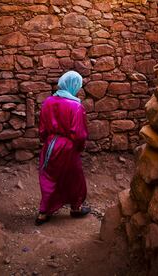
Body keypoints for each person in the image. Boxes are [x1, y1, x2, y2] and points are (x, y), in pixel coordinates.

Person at [35, 71, 90, 226]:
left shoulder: (48, 102)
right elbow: (79, 134)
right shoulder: (76, 106)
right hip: (68, 147)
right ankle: (76, 207)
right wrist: (79, 148)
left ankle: (43, 212)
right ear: (73, 86)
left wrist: (47, 141)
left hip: (51, 145)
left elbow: (43, 129)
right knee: (74, 178)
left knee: (48, 177)